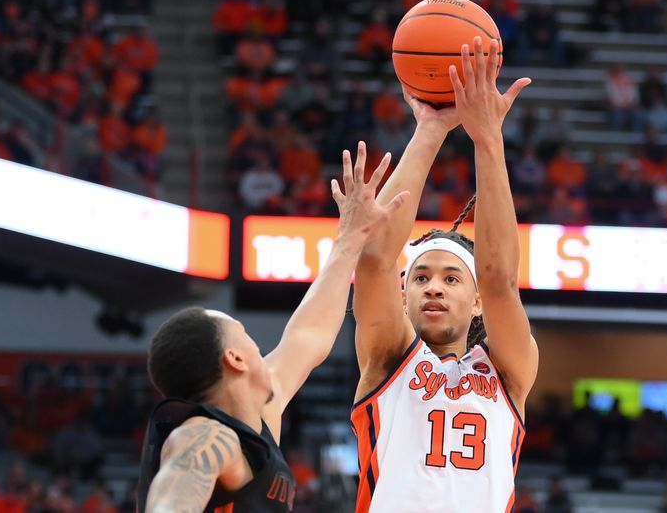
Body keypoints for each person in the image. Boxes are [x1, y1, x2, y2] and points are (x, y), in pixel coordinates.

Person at [137, 147, 409, 513]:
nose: (256, 343)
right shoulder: (206, 434)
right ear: (234, 358)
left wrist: (349, 239)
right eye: (243, 333)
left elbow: (309, 334)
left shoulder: (257, 420)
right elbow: (170, 502)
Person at [351, 36, 538, 512]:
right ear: (404, 292)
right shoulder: (388, 358)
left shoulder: (507, 374)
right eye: (420, 277)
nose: (433, 285)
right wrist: (431, 129)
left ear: (476, 301)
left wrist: (488, 139)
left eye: (452, 278)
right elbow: (373, 259)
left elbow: (500, 279)